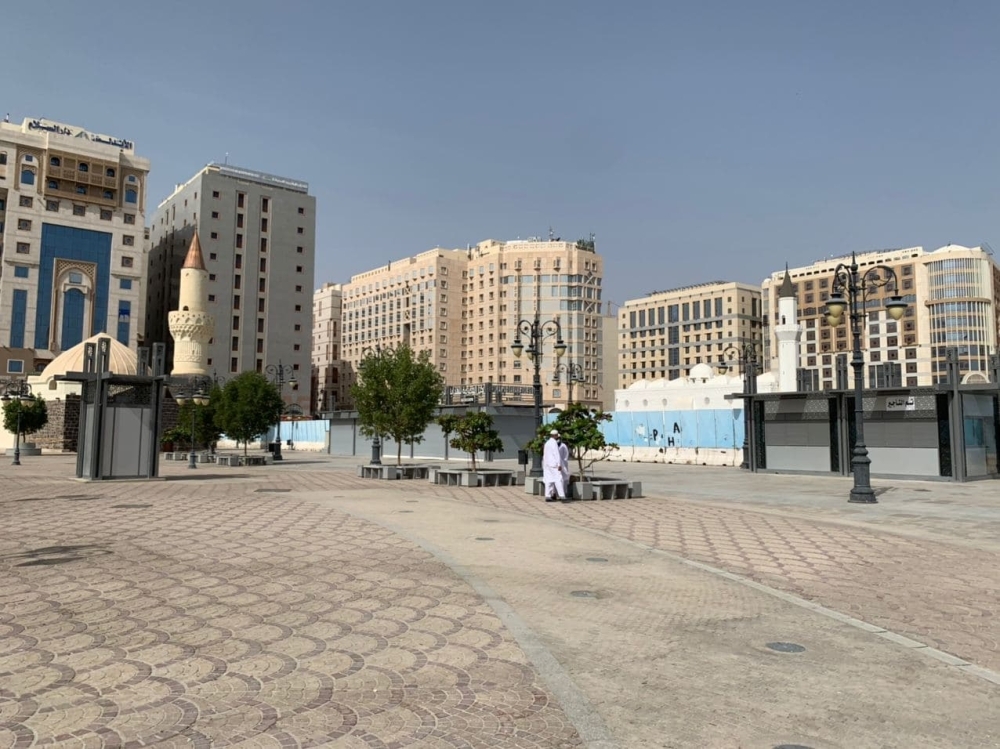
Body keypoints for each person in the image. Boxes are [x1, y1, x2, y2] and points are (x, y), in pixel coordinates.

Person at [542, 429, 566, 501]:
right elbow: (556, 454)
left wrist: (545, 464)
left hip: (547, 464)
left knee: (549, 480)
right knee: (558, 479)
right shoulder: (554, 443)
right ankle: (562, 496)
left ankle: (548, 496)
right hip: (554, 464)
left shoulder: (547, 443)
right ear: (555, 435)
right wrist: (559, 464)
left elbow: (545, 455)